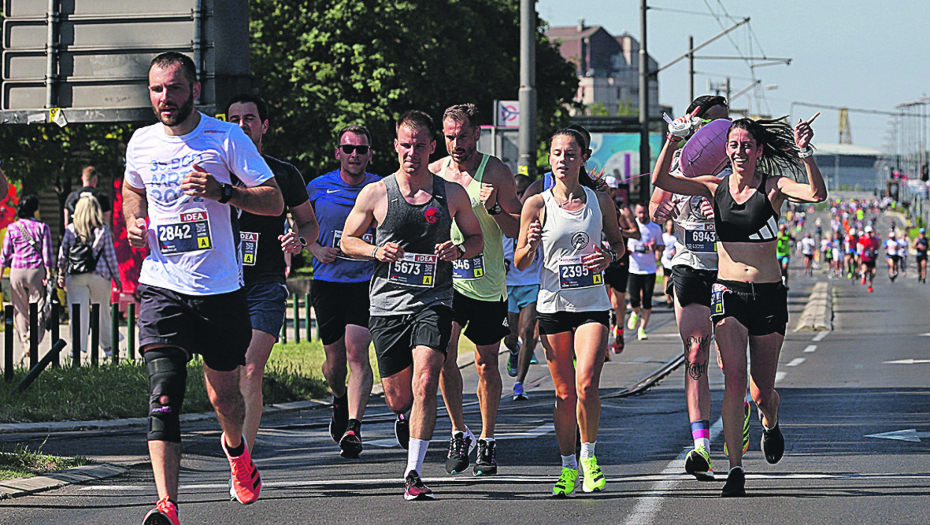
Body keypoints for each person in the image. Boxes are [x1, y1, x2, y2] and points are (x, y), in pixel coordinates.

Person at [124, 52, 284, 525]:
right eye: (156, 90)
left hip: (218, 290)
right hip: (160, 285)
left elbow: (273, 201)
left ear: (194, 89)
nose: (164, 98)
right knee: (164, 391)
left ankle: (236, 454)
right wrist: (136, 219)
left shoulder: (225, 137)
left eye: (173, 88)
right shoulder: (141, 141)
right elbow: (134, 187)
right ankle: (167, 505)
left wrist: (224, 192)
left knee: (224, 399)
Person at [653, 114, 826, 497]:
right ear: (726, 150)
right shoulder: (713, 187)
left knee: (762, 391)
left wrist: (806, 153)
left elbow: (817, 194)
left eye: (747, 145)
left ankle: (770, 420)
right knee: (734, 381)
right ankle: (735, 467)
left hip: (767, 295)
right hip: (727, 292)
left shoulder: (773, 186)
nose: (739, 151)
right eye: (733, 145)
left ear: (759, 150)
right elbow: (662, 182)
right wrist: (673, 138)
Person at [340, 110, 483, 500]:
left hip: (433, 299)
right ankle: (405, 417)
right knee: (398, 397)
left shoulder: (450, 192)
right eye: (406, 145)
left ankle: (413, 473)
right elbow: (347, 241)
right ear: (396, 147)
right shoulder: (376, 193)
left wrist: (458, 249)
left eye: (420, 146)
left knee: (426, 378)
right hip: (387, 306)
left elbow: (476, 240)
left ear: (431, 147)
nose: (412, 153)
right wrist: (375, 250)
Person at [515, 128, 625, 497]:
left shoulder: (599, 200)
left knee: (586, 383)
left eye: (571, 153)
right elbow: (520, 260)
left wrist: (608, 256)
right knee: (563, 394)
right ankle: (566, 467)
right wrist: (529, 245)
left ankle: (590, 457)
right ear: (550, 159)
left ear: (583, 158)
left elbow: (619, 245)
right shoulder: (537, 203)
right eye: (557, 153)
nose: (563, 159)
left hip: (592, 305)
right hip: (554, 306)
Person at [650, 95, 743, 481]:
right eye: (712, 126)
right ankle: (701, 446)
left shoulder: (745, 167)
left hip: (730, 269)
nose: (720, 133)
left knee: (729, 362)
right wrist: (665, 210)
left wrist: (725, 213)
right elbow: (656, 207)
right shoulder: (680, 163)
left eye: (727, 125)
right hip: (689, 264)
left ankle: (742, 411)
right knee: (695, 352)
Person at [225, 94, 320, 464]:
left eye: (249, 118)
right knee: (227, 376)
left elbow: (309, 223)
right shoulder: (215, 170)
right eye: (234, 118)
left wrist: (300, 239)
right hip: (220, 286)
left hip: (264, 284)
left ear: (264, 126)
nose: (242, 124)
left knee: (250, 366)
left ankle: (241, 461)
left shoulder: (283, 174)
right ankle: (234, 439)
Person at [429, 103, 523, 477]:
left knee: (486, 363)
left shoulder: (496, 171)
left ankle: (486, 438)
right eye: (450, 137)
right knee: (443, 354)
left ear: (477, 134)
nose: (457, 144)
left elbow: (516, 229)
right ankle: (458, 431)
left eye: (463, 136)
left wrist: (496, 208)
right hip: (447, 281)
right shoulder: (435, 173)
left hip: (486, 284)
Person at [305, 124, 380, 457]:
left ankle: (354, 426)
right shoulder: (318, 187)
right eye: (348, 149)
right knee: (334, 364)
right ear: (338, 152)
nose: (354, 155)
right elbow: (300, 226)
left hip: (365, 281)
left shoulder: (380, 188)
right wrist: (316, 249)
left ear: (369, 155)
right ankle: (339, 399)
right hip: (327, 282)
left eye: (361, 150)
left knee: (356, 351)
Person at [57, 195, 121, 357]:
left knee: (77, 313)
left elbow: (63, 254)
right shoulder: (103, 229)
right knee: (103, 312)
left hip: (76, 276)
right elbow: (110, 256)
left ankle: (77, 349)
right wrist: (117, 278)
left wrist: (61, 274)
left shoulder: (71, 229)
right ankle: (108, 348)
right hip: (99, 275)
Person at [503, 174, 541, 400]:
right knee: (510, 336)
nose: (520, 197)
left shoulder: (540, 215)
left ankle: (519, 383)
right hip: (508, 286)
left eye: (524, 192)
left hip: (532, 283)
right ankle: (513, 350)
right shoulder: (504, 219)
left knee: (528, 331)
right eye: (516, 193)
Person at [0, 195, 53, 350]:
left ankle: (24, 341)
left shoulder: (12, 228)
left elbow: (4, 255)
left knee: (19, 309)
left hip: (16, 271)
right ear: (35, 209)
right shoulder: (42, 227)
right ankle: (34, 335)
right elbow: (47, 253)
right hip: (36, 270)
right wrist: (49, 271)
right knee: (38, 305)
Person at [626, 203, 664, 341]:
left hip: (649, 269)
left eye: (644, 212)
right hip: (634, 268)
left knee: (647, 300)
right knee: (634, 299)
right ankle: (635, 312)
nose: (642, 216)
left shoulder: (655, 228)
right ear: (635, 213)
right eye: (639, 213)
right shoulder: (631, 226)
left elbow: (661, 246)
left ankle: (642, 328)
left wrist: (656, 247)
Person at [660, 219, 676, 306]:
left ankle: (673, 296)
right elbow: (660, 248)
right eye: (669, 225)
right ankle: (668, 299)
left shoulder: (676, 237)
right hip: (666, 261)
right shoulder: (664, 236)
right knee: (666, 279)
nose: (670, 228)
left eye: (672, 226)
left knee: (673, 280)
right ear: (666, 226)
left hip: (674, 261)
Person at [858, 226, 879, 293]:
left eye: (870, 232)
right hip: (865, 258)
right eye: (868, 233)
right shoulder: (863, 239)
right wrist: (863, 247)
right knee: (865, 269)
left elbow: (877, 247)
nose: (869, 234)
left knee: (872, 273)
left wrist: (874, 249)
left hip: (872, 259)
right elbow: (859, 244)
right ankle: (863, 276)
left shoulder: (874, 240)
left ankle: (870, 286)